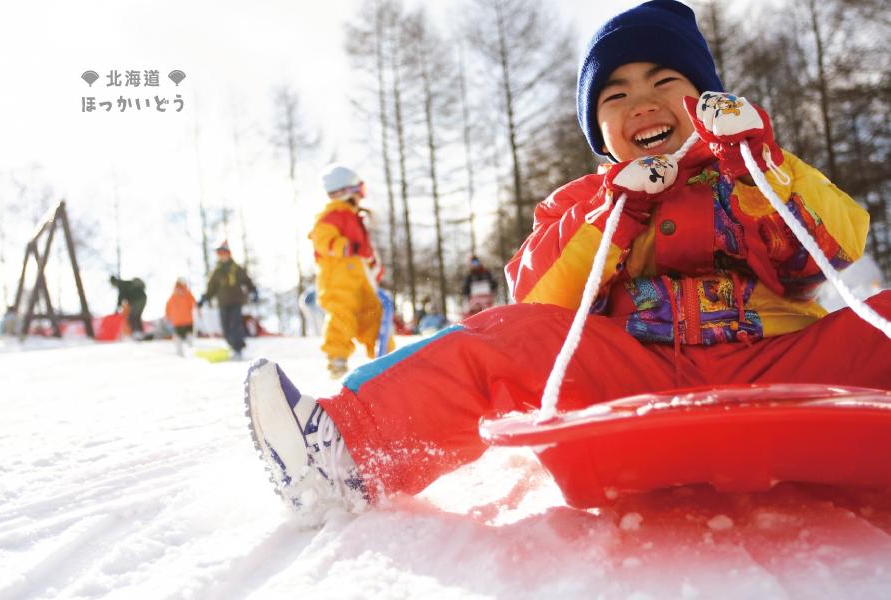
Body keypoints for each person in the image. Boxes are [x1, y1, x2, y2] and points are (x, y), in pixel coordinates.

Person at [246, 0, 891, 521]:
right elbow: (541, 301)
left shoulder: (756, 164)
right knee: (502, 335)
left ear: (709, 101)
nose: (641, 101)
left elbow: (833, 250)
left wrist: (760, 169)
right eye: (615, 96)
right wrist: (613, 217)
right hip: (631, 374)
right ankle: (348, 451)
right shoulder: (581, 201)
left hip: (777, 365)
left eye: (666, 81)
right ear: (598, 132)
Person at [308, 163, 392, 379]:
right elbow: (321, 237)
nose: (361, 197)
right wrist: (341, 245)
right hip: (338, 281)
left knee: (375, 318)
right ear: (347, 191)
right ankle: (337, 360)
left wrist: (374, 268)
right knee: (342, 317)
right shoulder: (332, 215)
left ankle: (388, 361)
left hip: (361, 282)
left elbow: (365, 252)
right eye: (360, 191)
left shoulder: (355, 218)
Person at [198, 242, 257, 360]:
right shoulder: (216, 271)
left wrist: (253, 291)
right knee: (225, 328)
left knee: (235, 325)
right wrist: (204, 298)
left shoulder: (236, 268)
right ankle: (233, 347)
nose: (221, 255)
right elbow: (211, 288)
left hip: (236, 301)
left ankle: (238, 349)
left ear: (228, 254)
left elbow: (247, 281)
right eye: (219, 253)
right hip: (223, 303)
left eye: (223, 253)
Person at [166, 277, 195, 355]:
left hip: (180, 321)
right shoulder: (187, 294)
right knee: (182, 337)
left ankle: (186, 351)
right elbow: (194, 304)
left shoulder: (174, 296)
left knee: (184, 337)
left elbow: (168, 308)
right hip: (183, 321)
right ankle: (183, 351)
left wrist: (167, 317)